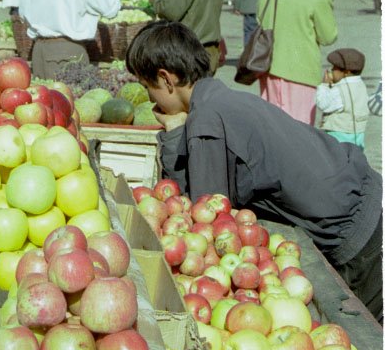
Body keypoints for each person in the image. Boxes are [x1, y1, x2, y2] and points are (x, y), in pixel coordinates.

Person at [125, 20, 383, 322]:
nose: (150, 99)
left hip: (360, 238)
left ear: (166, 79)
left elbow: (204, 217)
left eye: (147, 87)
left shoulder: (206, 121)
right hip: (365, 197)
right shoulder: (226, 99)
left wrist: (171, 133)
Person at [256, 0, 337, 125]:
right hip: (302, 72)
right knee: (298, 132)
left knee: (271, 127)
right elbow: (328, 36)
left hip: (269, 66)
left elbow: (260, 16)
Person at [316, 48, 369, 149]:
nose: (331, 70)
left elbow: (323, 104)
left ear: (346, 72)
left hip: (338, 134)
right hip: (358, 134)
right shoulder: (361, 85)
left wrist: (324, 85)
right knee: (353, 159)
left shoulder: (340, 90)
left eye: (334, 68)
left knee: (336, 160)